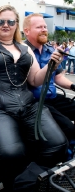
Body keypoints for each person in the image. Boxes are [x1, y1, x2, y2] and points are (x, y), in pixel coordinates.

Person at [0, 5, 67, 191]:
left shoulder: (25, 48)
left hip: (27, 106)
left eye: (11, 21)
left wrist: (50, 65)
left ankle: (26, 182)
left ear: (16, 24)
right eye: (1, 21)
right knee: (11, 152)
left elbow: (34, 79)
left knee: (58, 144)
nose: (6, 25)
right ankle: (20, 184)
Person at [23, 13, 75, 141]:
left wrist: (73, 86)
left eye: (45, 27)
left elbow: (58, 77)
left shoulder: (51, 50)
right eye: (39, 27)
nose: (44, 29)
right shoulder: (21, 52)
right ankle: (66, 153)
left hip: (53, 97)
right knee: (69, 128)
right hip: (35, 103)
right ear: (27, 31)